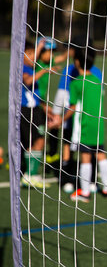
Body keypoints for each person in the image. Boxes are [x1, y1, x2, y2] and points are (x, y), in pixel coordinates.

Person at [60, 46, 107, 202]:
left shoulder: (76, 84)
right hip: (99, 125)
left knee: (85, 157)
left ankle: (84, 192)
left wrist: (60, 120)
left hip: (84, 125)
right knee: (101, 155)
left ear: (76, 62)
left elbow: (73, 107)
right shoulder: (97, 81)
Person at [52, 37, 103, 193]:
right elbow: (62, 95)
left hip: (86, 119)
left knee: (89, 148)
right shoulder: (70, 70)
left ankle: (90, 179)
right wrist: (57, 114)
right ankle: (66, 178)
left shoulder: (95, 73)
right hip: (71, 117)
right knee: (68, 143)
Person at [20, 40, 59, 188]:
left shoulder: (32, 66)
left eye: (33, 54)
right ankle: (29, 175)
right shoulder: (23, 68)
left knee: (40, 140)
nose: (32, 57)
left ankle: (33, 174)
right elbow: (28, 81)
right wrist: (43, 71)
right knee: (33, 142)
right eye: (29, 54)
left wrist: (41, 46)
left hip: (36, 110)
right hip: (27, 110)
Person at [35, 36, 68, 166]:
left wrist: (69, 48)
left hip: (41, 102)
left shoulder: (47, 62)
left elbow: (62, 58)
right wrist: (44, 107)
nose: (52, 55)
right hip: (35, 104)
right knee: (36, 134)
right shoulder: (35, 65)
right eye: (50, 51)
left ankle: (52, 154)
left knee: (54, 121)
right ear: (42, 51)